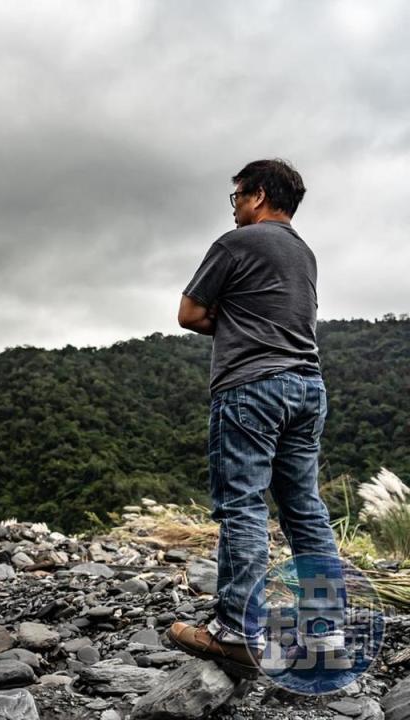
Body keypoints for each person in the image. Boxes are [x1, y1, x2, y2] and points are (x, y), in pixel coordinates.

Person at [168, 159, 347, 679]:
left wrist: (237, 320)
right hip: (308, 388)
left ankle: (235, 632)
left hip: (252, 387)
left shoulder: (236, 243)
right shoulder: (304, 253)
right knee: (304, 511)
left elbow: (190, 313)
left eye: (238, 197)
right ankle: (325, 634)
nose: (236, 208)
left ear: (260, 195)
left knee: (243, 507)